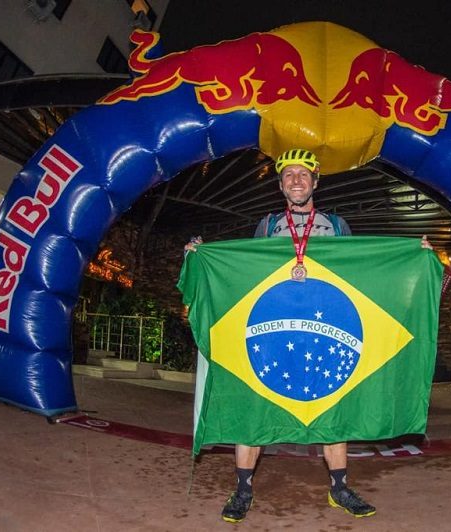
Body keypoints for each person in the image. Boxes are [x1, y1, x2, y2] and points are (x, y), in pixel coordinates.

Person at [185, 148, 432, 523]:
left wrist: (415, 254)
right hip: (275, 330)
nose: (296, 181)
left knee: (333, 402)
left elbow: (363, 275)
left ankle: (340, 487)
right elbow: (244, 276)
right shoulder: (267, 226)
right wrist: (203, 257)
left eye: (304, 174)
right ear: (280, 184)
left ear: (315, 181)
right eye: (288, 175)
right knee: (257, 400)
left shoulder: (336, 225)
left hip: (325, 327)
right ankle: (242, 488)